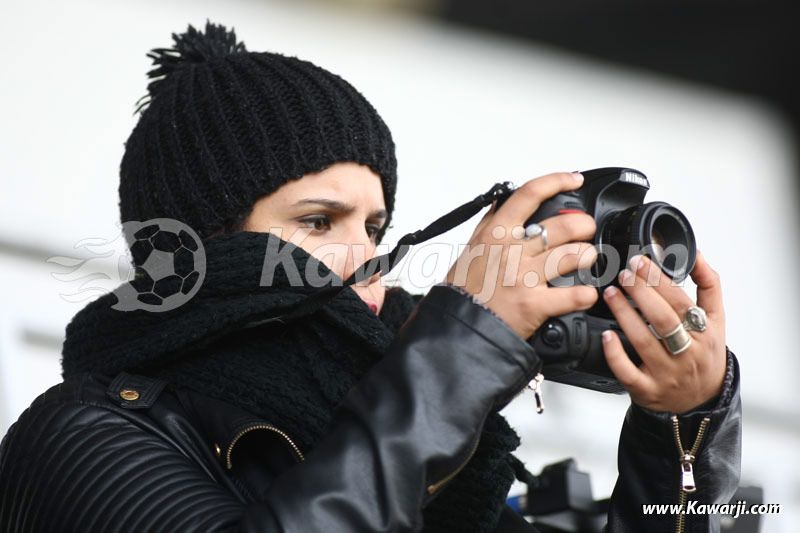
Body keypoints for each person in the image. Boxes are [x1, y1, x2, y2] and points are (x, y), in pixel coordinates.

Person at [0, 21, 740, 533]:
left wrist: (685, 428)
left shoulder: (439, 452)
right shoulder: (80, 431)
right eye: (319, 222)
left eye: (376, 227)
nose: (367, 260)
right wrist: (460, 352)